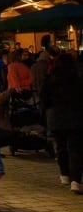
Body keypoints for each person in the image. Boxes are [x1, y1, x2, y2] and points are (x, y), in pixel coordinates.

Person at [39, 52, 83, 193]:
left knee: (61, 146)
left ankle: (65, 175)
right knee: (75, 149)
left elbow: (44, 98)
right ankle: (75, 181)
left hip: (56, 116)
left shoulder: (50, 79)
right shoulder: (78, 78)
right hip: (75, 116)